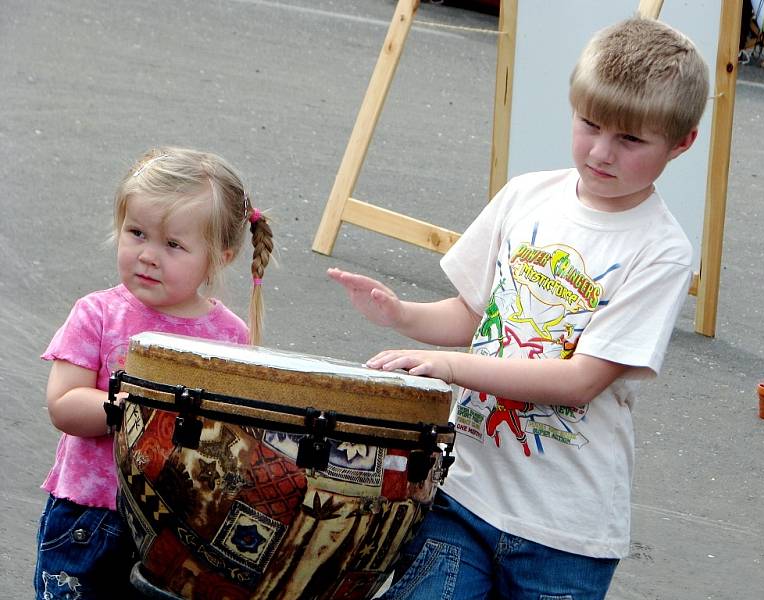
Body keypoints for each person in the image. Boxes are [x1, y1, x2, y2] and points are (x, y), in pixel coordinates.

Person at [328, 16, 709, 600]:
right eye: (590, 124)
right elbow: (472, 313)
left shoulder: (661, 251)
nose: (602, 152)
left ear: (682, 143)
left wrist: (450, 367)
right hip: (464, 492)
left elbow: (581, 381)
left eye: (631, 140)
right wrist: (401, 314)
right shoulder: (528, 195)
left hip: (563, 532)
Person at [34, 147, 273, 600]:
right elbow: (64, 405)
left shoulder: (228, 335)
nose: (148, 255)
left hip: (182, 527)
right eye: (137, 233)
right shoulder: (98, 314)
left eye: (173, 245)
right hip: (92, 515)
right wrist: (138, 410)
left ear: (220, 257)